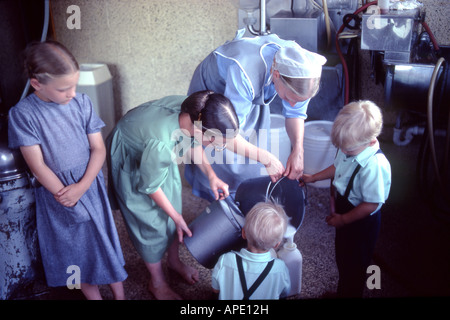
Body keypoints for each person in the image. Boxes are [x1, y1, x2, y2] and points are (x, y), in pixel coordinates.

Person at [106, 90, 279, 300]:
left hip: (154, 155)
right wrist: (177, 218)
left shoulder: (197, 111)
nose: (219, 146)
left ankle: (173, 261)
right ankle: (157, 283)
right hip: (135, 155)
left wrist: (212, 175)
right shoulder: (163, 144)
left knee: (172, 201)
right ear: (200, 130)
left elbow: (193, 142)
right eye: (216, 141)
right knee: (150, 222)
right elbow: (150, 187)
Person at [7, 40, 127, 300]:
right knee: (75, 252)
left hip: (89, 184)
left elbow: (98, 149)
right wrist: (66, 195)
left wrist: (82, 186)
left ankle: (120, 296)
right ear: (37, 83)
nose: (72, 92)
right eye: (63, 89)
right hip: (57, 194)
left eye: (74, 84)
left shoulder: (82, 102)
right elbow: (37, 165)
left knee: (103, 244)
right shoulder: (23, 114)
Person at [186, 29, 327, 201]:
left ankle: (245, 192)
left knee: (253, 145)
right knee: (217, 147)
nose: (292, 103)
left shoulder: (302, 72)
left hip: (247, 94)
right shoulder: (246, 73)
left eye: (298, 100)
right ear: (276, 75)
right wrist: (267, 159)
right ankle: (217, 192)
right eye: (289, 98)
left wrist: (298, 150)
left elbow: (295, 113)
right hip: (213, 90)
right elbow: (228, 136)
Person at [301, 100, 391, 298]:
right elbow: (338, 167)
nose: (343, 151)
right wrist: (314, 176)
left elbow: (371, 204)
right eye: (341, 147)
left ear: (370, 141)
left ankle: (350, 293)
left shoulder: (374, 166)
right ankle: (344, 291)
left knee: (356, 267)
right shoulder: (348, 148)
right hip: (346, 212)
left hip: (361, 222)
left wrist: (342, 220)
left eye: (347, 150)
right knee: (343, 258)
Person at [211, 202, 291, 300]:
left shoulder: (225, 260)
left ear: (243, 233)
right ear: (276, 244)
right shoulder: (280, 268)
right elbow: (284, 293)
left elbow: (215, 290)